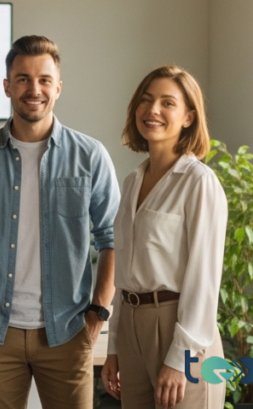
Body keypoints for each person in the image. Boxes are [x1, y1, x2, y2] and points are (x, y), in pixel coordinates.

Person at [0, 35, 120, 409]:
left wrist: (97, 316)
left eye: (44, 79)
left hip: (68, 332)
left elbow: (113, 239)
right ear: (7, 86)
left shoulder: (90, 156)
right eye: (23, 78)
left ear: (58, 87)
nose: (34, 89)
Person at [100, 65, 227, 409]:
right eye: (146, 100)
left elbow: (204, 278)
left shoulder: (199, 182)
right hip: (131, 326)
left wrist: (180, 358)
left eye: (167, 103)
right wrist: (113, 347)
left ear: (188, 117)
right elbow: (124, 274)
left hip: (181, 329)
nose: (152, 110)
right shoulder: (131, 183)